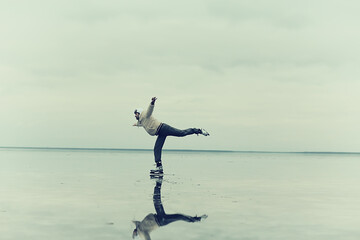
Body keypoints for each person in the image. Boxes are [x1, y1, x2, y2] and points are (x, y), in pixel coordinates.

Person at [133, 97, 209, 174]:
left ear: (139, 113)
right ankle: (159, 167)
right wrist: (135, 124)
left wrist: (152, 103)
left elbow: (150, 110)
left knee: (181, 133)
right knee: (157, 148)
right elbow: (139, 124)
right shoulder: (141, 121)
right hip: (160, 133)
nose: (135, 116)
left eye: (135, 114)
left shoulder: (146, 115)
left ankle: (199, 130)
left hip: (163, 128)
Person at [132, 176, 207, 239]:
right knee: (178, 216)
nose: (134, 232)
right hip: (161, 220)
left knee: (157, 200)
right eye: (134, 234)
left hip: (158, 216)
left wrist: (131, 221)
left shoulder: (138, 226)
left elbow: (135, 222)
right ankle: (197, 219)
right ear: (137, 235)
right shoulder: (142, 233)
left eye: (133, 233)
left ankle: (158, 182)